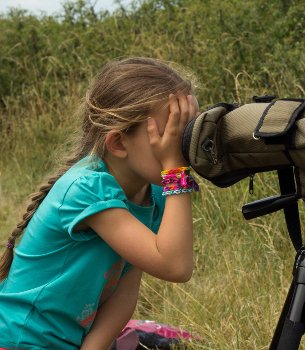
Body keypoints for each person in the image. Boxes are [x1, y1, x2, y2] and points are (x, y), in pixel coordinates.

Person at [0, 57, 201, 349]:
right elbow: (176, 267)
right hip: (20, 339)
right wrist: (176, 173)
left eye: (186, 132)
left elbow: (125, 290)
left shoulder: (153, 193)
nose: (180, 148)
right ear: (119, 143)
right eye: (167, 136)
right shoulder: (86, 189)